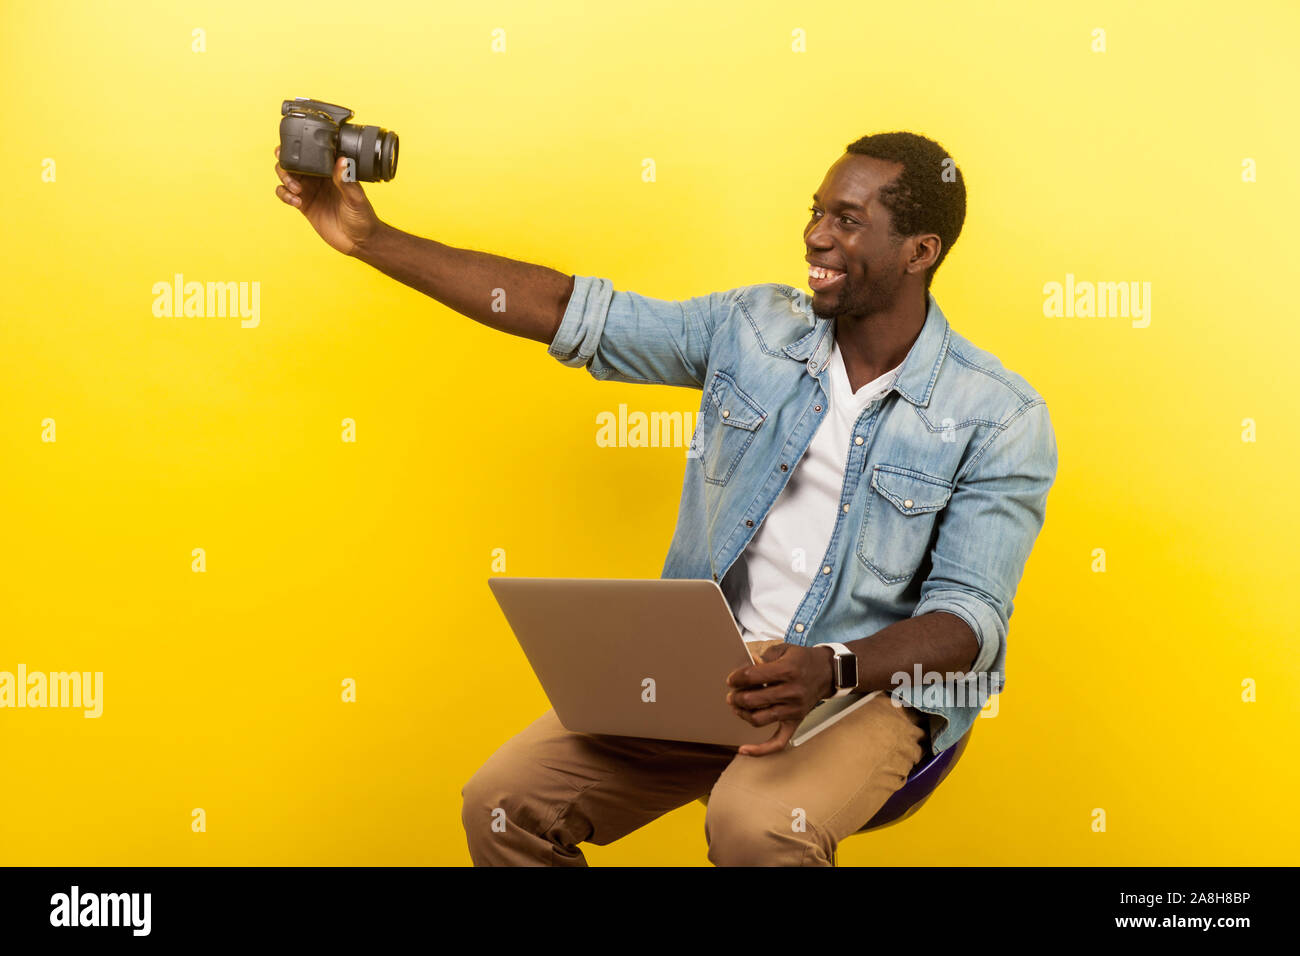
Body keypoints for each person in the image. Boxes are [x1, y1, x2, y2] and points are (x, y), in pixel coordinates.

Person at [273, 131, 1058, 866]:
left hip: (863, 684)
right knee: (502, 802)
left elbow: (969, 620)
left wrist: (828, 669)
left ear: (920, 252)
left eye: (847, 221)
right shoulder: (750, 328)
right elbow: (570, 313)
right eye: (816, 212)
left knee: (754, 825)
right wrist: (370, 240)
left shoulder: (999, 415)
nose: (816, 236)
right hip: (714, 667)